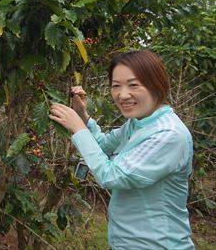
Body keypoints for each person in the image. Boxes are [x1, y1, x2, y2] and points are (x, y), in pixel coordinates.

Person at [49, 50, 194, 249]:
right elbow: (102, 146)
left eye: (133, 85)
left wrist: (78, 128)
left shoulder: (168, 135)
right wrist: (82, 116)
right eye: (116, 86)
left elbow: (111, 175)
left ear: (156, 84)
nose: (122, 95)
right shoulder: (138, 123)